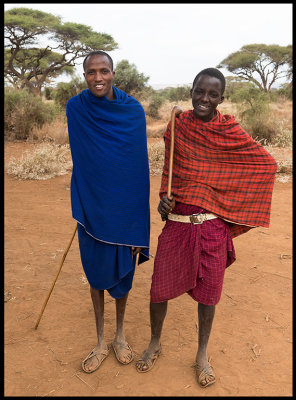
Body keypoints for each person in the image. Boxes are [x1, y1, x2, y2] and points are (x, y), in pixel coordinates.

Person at [135, 68, 277, 387]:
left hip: (213, 226)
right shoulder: (179, 125)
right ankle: (155, 342)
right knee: (159, 288)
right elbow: (170, 173)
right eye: (200, 91)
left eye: (213, 94)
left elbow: (266, 164)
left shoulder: (229, 131)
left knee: (209, 295)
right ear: (192, 91)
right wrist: (164, 200)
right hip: (178, 223)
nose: (205, 99)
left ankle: (201, 353)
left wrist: (227, 202)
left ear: (221, 99)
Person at [66, 50, 150, 374]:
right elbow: (83, 160)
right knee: (95, 273)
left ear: (113, 73)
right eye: (91, 72)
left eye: (104, 71)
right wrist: (84, 203)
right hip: (92, 207)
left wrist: (137, 226)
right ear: (84, 75)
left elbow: (136, 169)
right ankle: (101, 340)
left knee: (123, 275)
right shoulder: (76, 108)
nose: (98, 78)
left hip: (125, 211)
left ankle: (119, 336)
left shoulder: (132, 112)